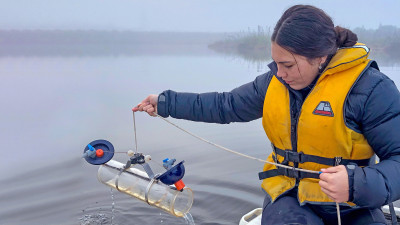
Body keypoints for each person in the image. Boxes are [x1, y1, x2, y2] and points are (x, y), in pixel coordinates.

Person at [133, 4, 400, 225]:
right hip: (290, 200)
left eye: (287, 64)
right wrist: (166, 103)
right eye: (276, 62)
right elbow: (225, 105)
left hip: (354, 205)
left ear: (319, 57)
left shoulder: (372, 89)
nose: (279, 73)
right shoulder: (273, 83)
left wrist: (356, 184)